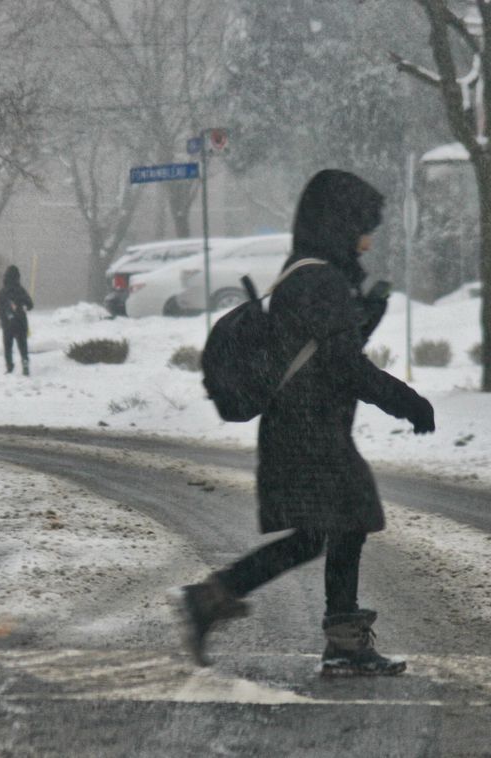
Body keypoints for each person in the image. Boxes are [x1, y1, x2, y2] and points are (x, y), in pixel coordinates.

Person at [174, 169, 436, 676]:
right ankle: (231, 604)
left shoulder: (311, 273)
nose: (368, 238)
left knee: (329, 529)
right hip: (307, 430)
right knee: (333, 526)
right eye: (363, 226)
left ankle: (233, 604)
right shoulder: (320, 279)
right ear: (340, 223)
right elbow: (342, 362)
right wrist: (407, 402)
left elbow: (324, 344)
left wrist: (367, 313)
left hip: (305, 426)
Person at [0, 265, 34, 375]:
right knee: (22, 344)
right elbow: (30, 305)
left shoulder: (1, 293)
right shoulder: (21, 291)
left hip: (7, 324)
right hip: (21, 322)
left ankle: (9, 366)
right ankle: (25, 362)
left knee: (8, 345)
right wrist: (22, 308)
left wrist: (4, 314)